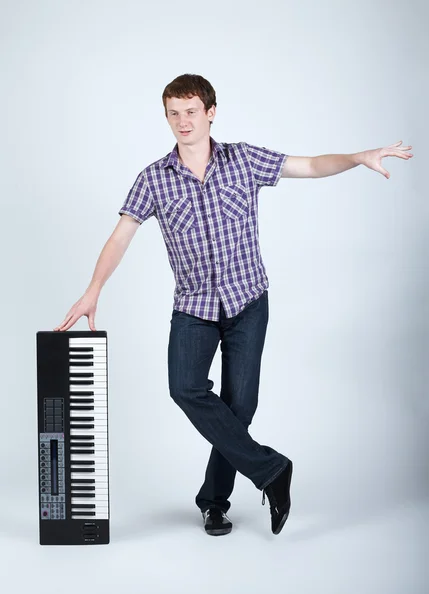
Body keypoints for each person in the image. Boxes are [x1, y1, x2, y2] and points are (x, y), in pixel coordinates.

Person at [54, 73, 413, 536]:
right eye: (174, 113)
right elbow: (121, 235)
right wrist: (94, 289)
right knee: (185, 388)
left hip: (247, 303)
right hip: (194, 307)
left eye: (191, 111)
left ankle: (214, 502)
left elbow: (307, 166)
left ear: (210, 112)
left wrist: (358, 157)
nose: (183, 121)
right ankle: (272, 470)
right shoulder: (153, 179)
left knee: (239, 408)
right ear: (166, 117)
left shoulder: (242, 159)